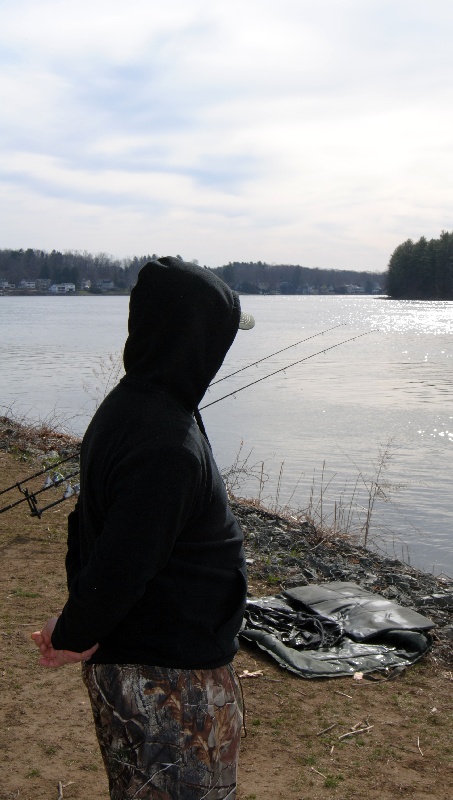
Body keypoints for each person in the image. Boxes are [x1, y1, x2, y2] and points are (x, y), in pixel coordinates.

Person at [32, 256, 255, 800]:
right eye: (221, 337)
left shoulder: (138, 403)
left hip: (162, 663)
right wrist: (72, 634)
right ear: (197, 341)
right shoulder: (164, 442)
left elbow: (113, 538)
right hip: (167, 680)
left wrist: (77, 624)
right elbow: (120, 563)